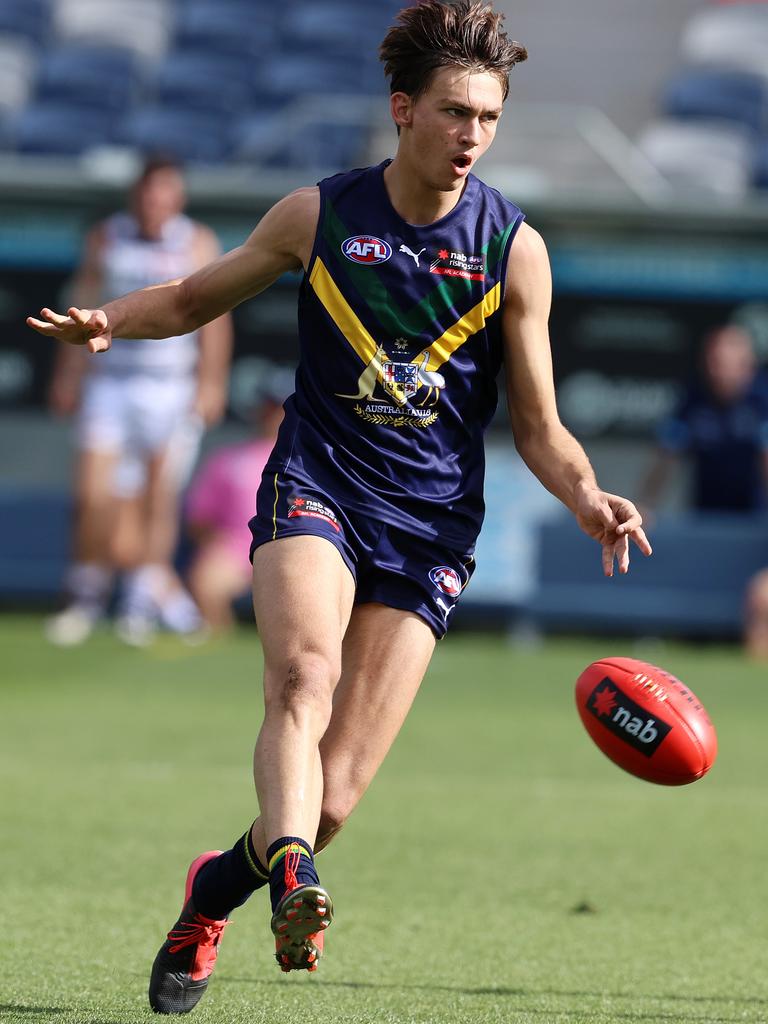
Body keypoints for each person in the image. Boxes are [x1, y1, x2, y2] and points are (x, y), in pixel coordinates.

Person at [27, 0, 652, 1012]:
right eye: (454, 113)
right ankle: (298, 881)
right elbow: (190, 301)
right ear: (403, 110)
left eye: (488, 119)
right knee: (301, 678)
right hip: (319, 480)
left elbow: (538, 424)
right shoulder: (318, 213)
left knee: (337, 795)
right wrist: (111, 321)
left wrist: (587, 494)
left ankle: (218, 890)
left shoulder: (512, 248)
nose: (471, 138)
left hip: (432, 523)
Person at [45, 156, 233, 646]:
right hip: (110, 381)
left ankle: (139, 597)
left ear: (177, 197)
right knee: (92, 494)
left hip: (169, 386)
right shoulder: (107, 236)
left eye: (164, 192)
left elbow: (213, 316)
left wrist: (211, 382)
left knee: (158, 497)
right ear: (138, 195)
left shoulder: (197, 241)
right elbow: (81, 303)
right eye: (149, 191)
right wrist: (69, 374)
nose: (155, 201)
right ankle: (86, 592)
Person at [185, 371, 290, 632]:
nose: (273, 414)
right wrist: (215, 543)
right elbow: (199, 518)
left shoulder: (312, 460)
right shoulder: (228, 459)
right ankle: (220, 646)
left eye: (280, 408)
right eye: (268, 407)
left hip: (293, 544)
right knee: (206, 583)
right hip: (238, 545)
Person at [638, 325, 768, 517]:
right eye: (710, 362)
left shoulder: (762, 400)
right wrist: (645, 505)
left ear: (746, 367)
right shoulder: (692, 398)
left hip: (753, 517)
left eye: (721, 363)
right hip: (705, 513)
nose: (713, 371)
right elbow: (666, 454)